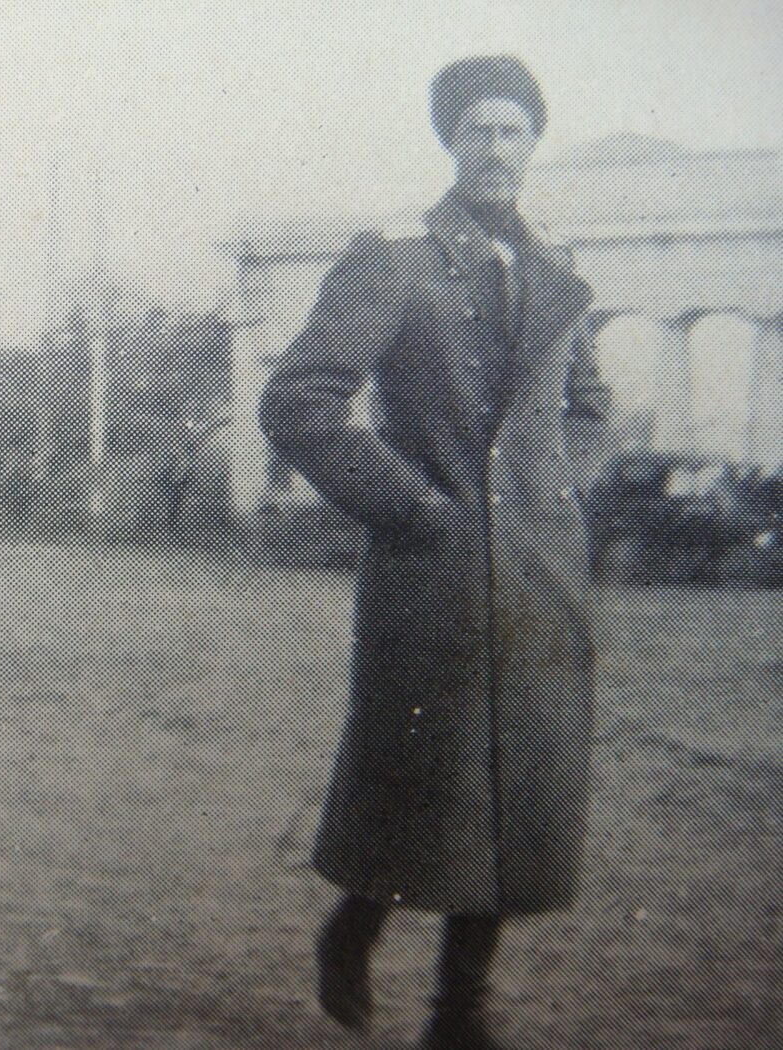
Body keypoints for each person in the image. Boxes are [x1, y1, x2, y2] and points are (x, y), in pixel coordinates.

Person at [259, 55, 612, 1049]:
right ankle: (353, 926)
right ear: (450, 143)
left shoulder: (556, 272)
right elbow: (298, 400)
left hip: (538, 575)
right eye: (476, 131)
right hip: (431, 569)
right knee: (423, 776)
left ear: (533, 144)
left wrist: (553, 489)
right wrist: (409, 505)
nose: (495, 149)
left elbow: (589, 407)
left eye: (511, 130)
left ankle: (459, 1009)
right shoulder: (394, 263)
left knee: (515, 787)